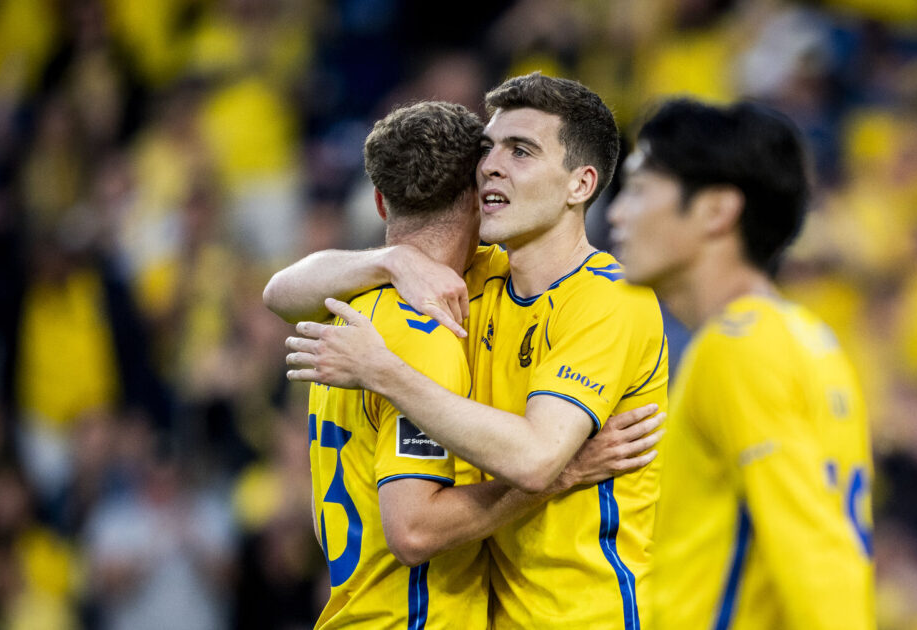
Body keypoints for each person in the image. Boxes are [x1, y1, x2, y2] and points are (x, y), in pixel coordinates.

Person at [275, 73, 668, 630]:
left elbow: (535, 460)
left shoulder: (609, 298)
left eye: (521, 150)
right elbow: (280, 292)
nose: (490, 165)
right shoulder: (471, 281)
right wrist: (389, 261)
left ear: (580, 185)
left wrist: (382, 371)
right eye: (488, 149)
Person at [606, 99, 875, 629]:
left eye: (638, 190)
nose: (615, 213)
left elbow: (815, 552)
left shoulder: (737, 348)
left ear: (716, 210)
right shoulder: (810, 338)